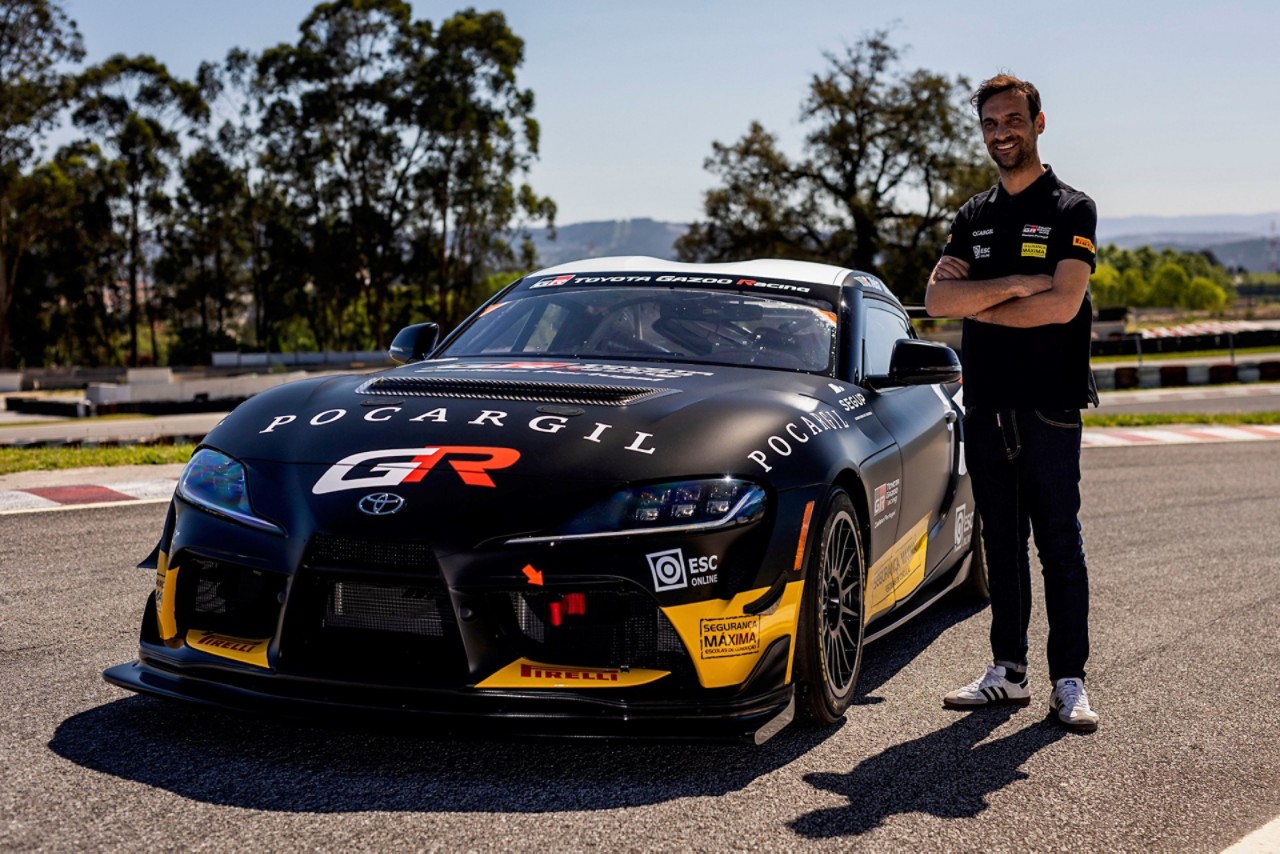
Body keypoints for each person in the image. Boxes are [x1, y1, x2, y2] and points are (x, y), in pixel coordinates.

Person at [925, 73, 1100, 732]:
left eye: (1012, 121)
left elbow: (1062, 306)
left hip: (1050, 404)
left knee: (1059, 541)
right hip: (988, 401)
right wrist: (1018, 283)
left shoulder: (1071, 208)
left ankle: (1069, 680)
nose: (1001, 133)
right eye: (990, 124)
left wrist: (987, 299)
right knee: (1001, 541)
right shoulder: (972, 216)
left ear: (1038, 122)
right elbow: (939, 303)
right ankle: (1010, 673)